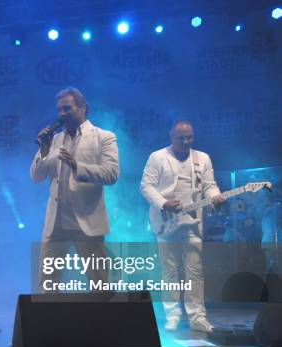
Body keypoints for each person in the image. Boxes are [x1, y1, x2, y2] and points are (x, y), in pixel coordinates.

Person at [30, 87, 119, 290]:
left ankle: (103, 322)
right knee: (48, 284)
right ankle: (52, 322)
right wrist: (43, 152)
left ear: (83, 109)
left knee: (99, 283)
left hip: (86, 221)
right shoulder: (53, 139)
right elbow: (36, 177)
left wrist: (76, 166)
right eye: (59, 110)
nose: (62, 114)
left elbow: (111, 174)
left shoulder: (103, 137)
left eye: (67, 109)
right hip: (56, 224)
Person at [141, 119, 225, 332]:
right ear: (171, 136)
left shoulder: (202, 158)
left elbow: (209, 185)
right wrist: (164, 203)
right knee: (169, 271)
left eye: (190, 137)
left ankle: (197, 317)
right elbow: (146, 186)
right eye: (181, 138)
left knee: (194, 271)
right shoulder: (157, 157)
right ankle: (173, 315)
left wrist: (215, 197)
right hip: (166, 221)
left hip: (193, 222)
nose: (186, 141)